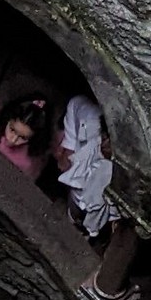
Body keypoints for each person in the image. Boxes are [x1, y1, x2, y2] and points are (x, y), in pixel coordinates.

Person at [53, 92, 116, 241]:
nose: (105, 144)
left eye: (112, 143)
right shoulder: (90, 119)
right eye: (105, 137)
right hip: (73, 198)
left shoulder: (119, 172)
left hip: (100, 213)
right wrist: (69, 145)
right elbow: (76, 103)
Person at [0, 91, 53, 179]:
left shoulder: (27, 162)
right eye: (12, 129)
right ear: (8, 118)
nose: (13, 139)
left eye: (23, 138)